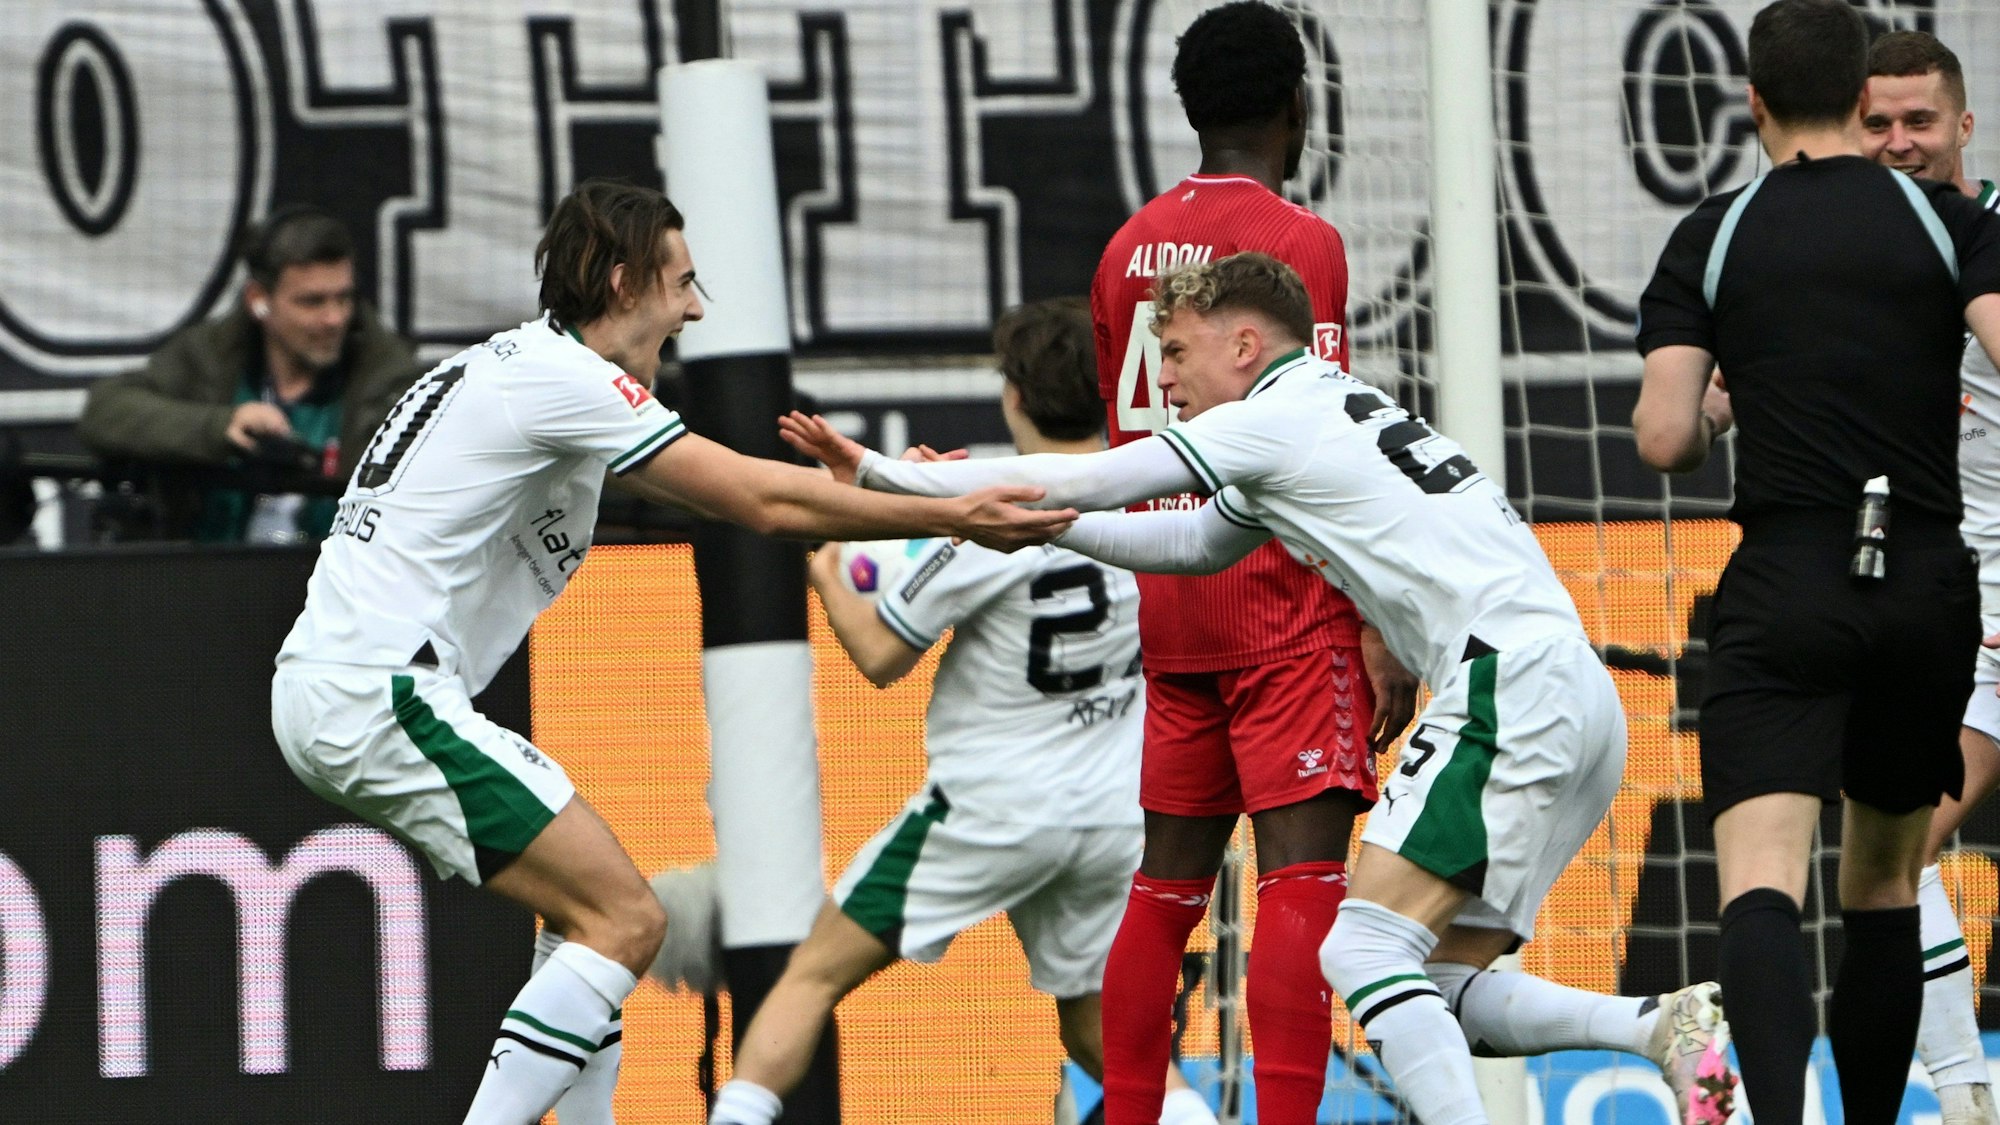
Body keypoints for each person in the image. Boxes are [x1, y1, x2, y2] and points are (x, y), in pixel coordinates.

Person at [781, 251, 1737, 1125]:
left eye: (1179, 350)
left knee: (1358, 953)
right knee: (1432, 988)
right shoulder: (1320, 410)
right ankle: (1659, 1025)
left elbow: (1107, 478)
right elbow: (1190, 543)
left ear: (1245, 342)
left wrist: (879, 475)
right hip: (1565, 695)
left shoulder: (1272, 418)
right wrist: (1039, 524)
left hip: (1504, 687)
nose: (1167, 380)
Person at [268, 179, 1075, 1125]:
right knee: (630, 918)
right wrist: (952, 512)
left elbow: (771, 498)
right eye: (683, 284)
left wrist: (895, 494)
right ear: (622, 282)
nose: (695, 308)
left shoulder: (526, 376)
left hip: (351, 690)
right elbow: (762, 502)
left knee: (585, 923)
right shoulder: (567, 383)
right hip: (381, 694)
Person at [709, 298, 1216, 1125]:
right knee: (1100, 1029)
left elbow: (878, 655)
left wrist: (829, 560)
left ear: (1013, 394)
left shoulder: (993, 509)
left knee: (811, 974)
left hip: (994, 809)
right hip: (1116, 813)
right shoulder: (1151, 498)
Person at [1633, 3, 2000, 1122]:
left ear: (1749, 105)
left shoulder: (1716, 229)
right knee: (1883, 883)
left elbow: (1660, 439)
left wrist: (1724, 408)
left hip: (1784, 576)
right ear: (1857, 99)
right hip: (1925, 578)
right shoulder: (1947, 222)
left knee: (1758, 885)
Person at [1087, 6, 1416, 1120]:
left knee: (1163, 888)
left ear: (1186, 109)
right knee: (1303, 885)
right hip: (1281, 601)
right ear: (1297, 104)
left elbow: (1129, 443)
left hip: (1172, 601)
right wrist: (1372, 622)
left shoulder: (1124, 249)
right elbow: (1317, 441)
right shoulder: (1298, 245)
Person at [1862, 28, 2000, 1125]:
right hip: (1959, 603)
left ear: (1962, 126)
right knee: (1898, 839)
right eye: (1877, 123)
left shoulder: (1987, 242)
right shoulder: (1850, 259)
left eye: (1919, 121)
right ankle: (1964, 1099)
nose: (1899, 142)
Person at [79, 206, 421, 542]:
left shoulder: (392, 379)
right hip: (209, 580)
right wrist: (220, 426)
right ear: (259, 299)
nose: (334, 319)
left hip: (337, 585)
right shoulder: (210, 355)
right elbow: (106, 410)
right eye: (312, 302)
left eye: (344, 298)